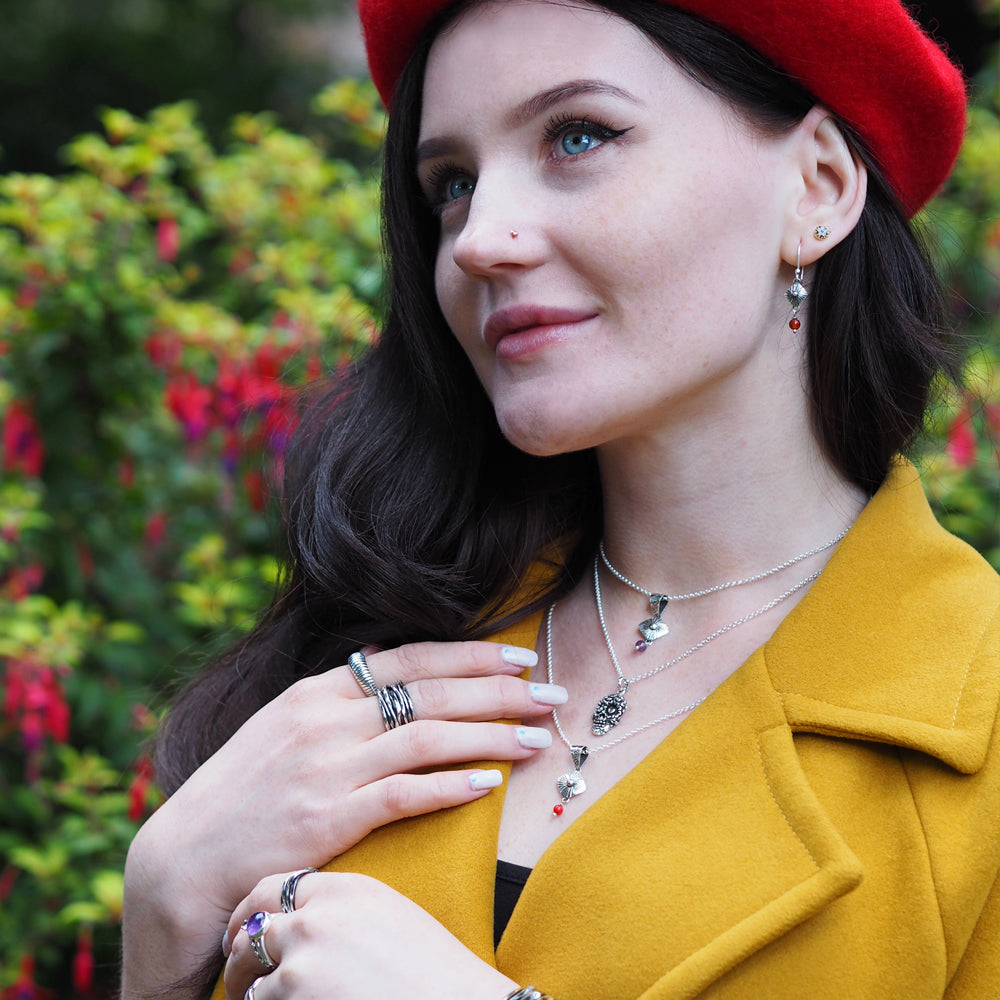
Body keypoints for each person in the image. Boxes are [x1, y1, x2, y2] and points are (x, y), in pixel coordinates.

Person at [121, 1, 1000, 998]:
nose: (477, 241)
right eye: (450, 183)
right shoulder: (385, 634)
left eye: (578, 136)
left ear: (817, 187)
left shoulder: (975, 719)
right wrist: (164, 912)